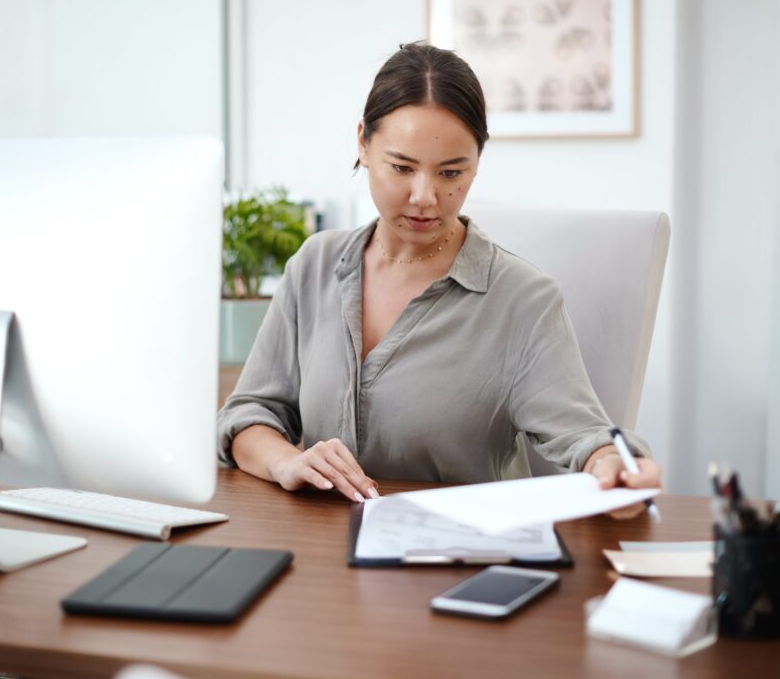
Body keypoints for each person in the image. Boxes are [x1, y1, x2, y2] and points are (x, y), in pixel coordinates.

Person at [217, 42, 661, 518]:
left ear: (477, 162)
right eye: (402, 167)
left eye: (452, 172)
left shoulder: (524, 300)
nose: (425, 197)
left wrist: (617, 467)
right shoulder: (315, 265)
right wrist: (288, 461)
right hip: (326, 556)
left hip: (461, 562)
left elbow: (586, 439)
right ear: (363, 143)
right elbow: (248, 416)